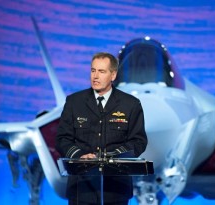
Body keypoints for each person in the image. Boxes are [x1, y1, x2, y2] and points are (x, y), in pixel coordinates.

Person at [55, 52, 148, 205]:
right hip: (81, 189)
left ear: (113, 75)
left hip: (116, 190)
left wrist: (113, 157)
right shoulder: (74, 102)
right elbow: (62, 139)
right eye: (93, 71)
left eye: (101, 71)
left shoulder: (130, 104)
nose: (95, 76)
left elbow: (138, 141)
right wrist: (80, 155)